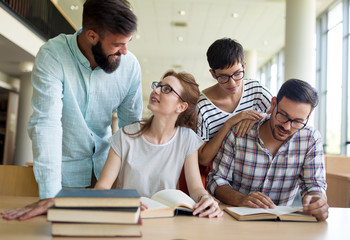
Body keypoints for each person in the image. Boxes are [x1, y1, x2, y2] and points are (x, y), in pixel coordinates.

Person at [1, 0, 142, 220]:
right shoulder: (53, 55)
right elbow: (46, 123)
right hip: (62, 177)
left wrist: (133, 188)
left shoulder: (130, 66)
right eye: (117, 44)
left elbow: (131, 130)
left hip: (108, 177)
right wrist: (50, 194)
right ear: (92, 36)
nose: (125, 51)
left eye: (128, 42)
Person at [95, 70, 223, 218]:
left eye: (167, 89)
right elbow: (101, 188)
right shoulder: (125, 135)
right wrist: (122, 201)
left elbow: (195, 189)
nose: (155, 90)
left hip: (165, 218)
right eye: (158, 86)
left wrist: (205, 199)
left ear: (181, 107)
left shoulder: (187, 139)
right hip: (128, 217)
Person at [207, 79, 329, 221]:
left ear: (307, 118)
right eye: (283, 115)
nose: (287, 127)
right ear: (272, 104)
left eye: (297, 121)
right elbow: (216, 179)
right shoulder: (240, 133)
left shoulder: (310, 139)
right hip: (235, 220)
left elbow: (314, 185)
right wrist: (241, 199)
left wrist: (318, 201)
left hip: (281, 225)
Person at [179, 38, 272, 194]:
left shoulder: (256, 91)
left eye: (237, 74)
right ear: (213, 74)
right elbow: (203, 158)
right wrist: (231, 123)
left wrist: (255, 117)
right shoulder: (202, 107)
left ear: (244, 66)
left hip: (253, 171)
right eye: (223, 77)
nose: (232, 83)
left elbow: (276, 117)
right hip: (220, 178)